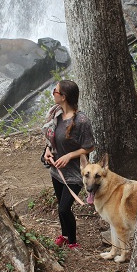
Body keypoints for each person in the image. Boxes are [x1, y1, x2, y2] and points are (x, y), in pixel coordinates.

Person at [42, 80, 95, 249]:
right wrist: (47, 150)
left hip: (74, 173)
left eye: (55, 91)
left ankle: (73, 241)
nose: (53, 94)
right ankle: (64, 235)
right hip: (57, 170)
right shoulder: (55, 114)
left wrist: (70, 155)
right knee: (60, 205)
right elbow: (51, 138)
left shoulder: (81, 121)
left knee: (64, 208)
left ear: (63, 97)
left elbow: (90, 146)